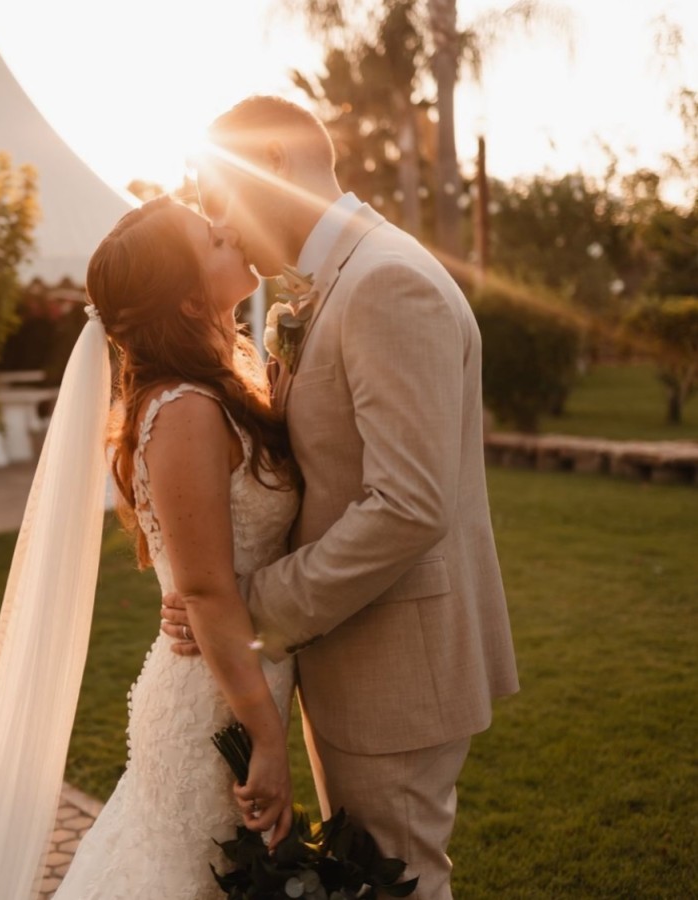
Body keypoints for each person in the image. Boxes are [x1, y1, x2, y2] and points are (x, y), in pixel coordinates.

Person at [160, 94, 520, 900]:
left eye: (221, 202)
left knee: (398, 884)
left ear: (272, 166)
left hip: (396, 669)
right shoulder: (344, 278)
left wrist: (251, 604)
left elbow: (408, 506)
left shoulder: (386, 281)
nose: (223, 230)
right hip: (359, 655)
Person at [0, 196, 300, 900]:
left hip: (235, 676)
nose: (232, 233)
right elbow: (205, 591)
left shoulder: (220, 388)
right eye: (212, 239)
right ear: (187, 300)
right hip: (214, 709)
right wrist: (267, 739)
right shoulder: (184, 409)